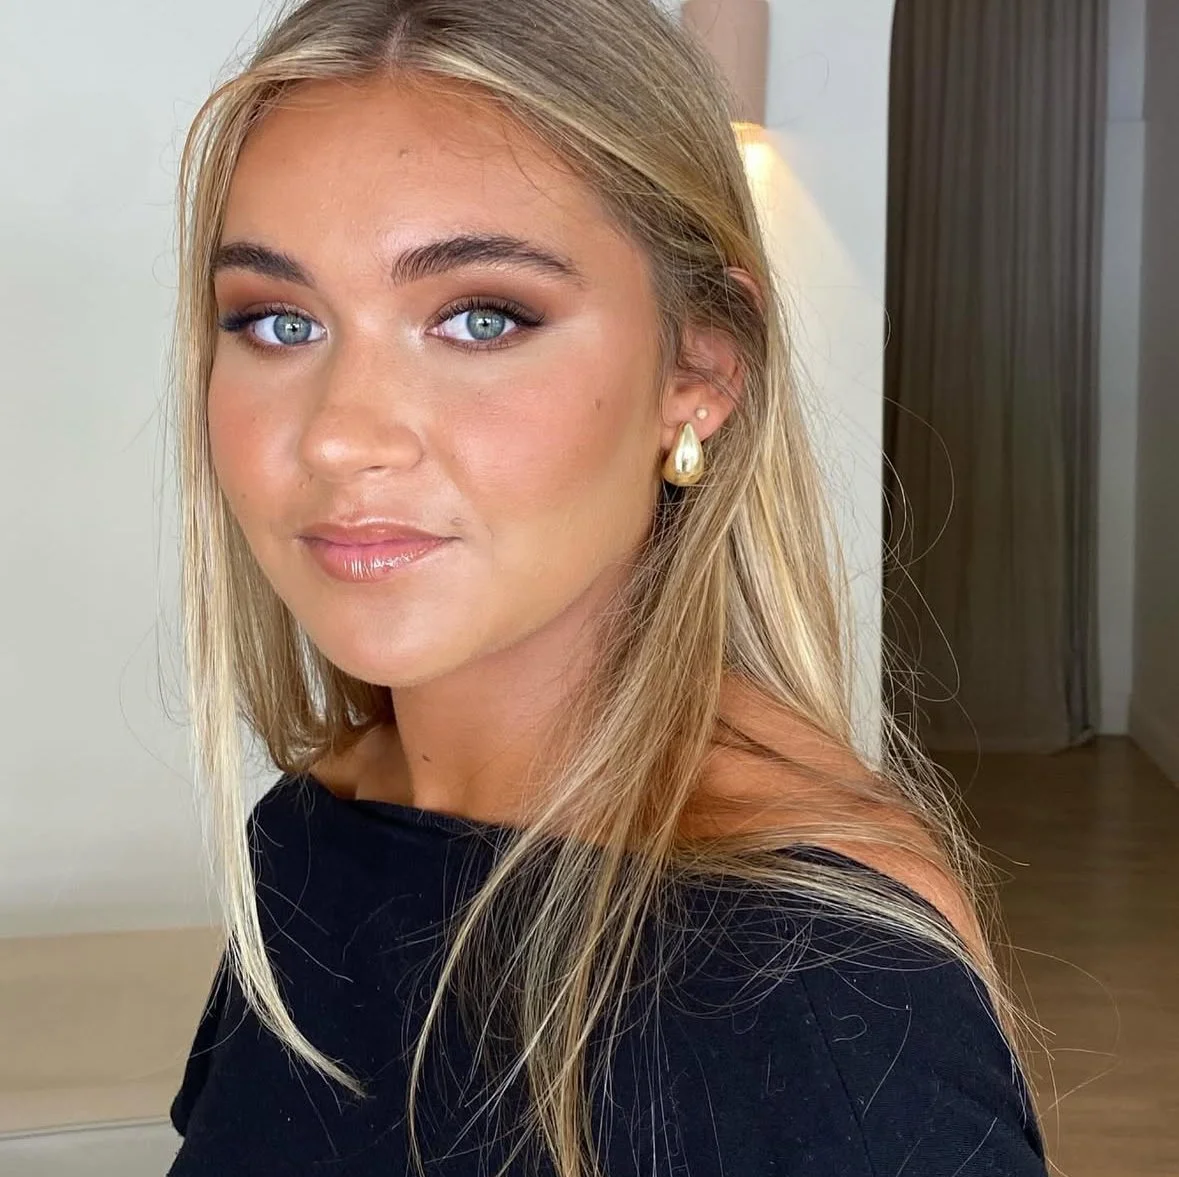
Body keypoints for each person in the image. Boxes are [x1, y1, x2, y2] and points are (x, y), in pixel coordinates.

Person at [165, 1, 1049, 1174]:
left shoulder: (826, 985)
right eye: (278, 321)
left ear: (698, 370)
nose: (339, 436)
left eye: (481, 317)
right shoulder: (310, 832)